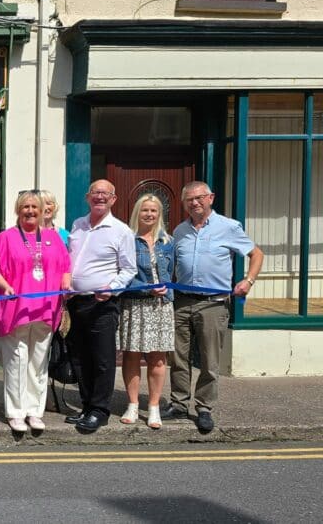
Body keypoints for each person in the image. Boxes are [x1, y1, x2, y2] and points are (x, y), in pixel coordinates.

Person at [166, 181, 263, 433]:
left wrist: (248, 281)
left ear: (211, 197)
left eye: (199, 198)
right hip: (183, 301)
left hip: (214, 304)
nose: (194, 203)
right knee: (178, 357)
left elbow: (257, 254)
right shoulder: (179, 231)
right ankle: (178, 403)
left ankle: (204, 407)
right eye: (189, 200)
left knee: (209, 359)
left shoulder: (229, 227)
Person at [0, 191, 72, 433]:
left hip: (46, 308)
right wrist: (5, 286)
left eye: (35, 207)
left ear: (43, 209)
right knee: (17, 361)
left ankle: (34, 411)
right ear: (18, 210)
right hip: (16, 309)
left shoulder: (53, 238)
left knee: (38, 362)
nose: (30, 211)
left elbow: (65, 265)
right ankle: (16, 412)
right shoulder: (6, 237)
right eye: (26, 207)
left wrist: (66, 281)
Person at [66, 180, 138, 433]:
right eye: (95, 193)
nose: (99, 197)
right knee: (79, 356)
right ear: (87, 197)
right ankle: (86, 405)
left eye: (105, 193)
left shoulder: (121, 231)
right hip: (76, 302)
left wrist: (112, 288)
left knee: (102, 359)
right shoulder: (77, 225)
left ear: (113, 199)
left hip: (103, 304)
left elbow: (129, 268)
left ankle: (99, 410)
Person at [118, 194, 175, 430]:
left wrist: (165, 289)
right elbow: (121, 275)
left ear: (159, 214)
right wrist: (145, 290)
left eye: (153, 210)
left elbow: (172, 273)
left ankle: (153, 407)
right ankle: (132, 404)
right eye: (145, 210)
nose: (149, 214)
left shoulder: (168, 241)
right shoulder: (127, 240)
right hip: (135, 304)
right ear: (137, 213)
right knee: (131, 355)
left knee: (157, 358)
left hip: (161, 308)